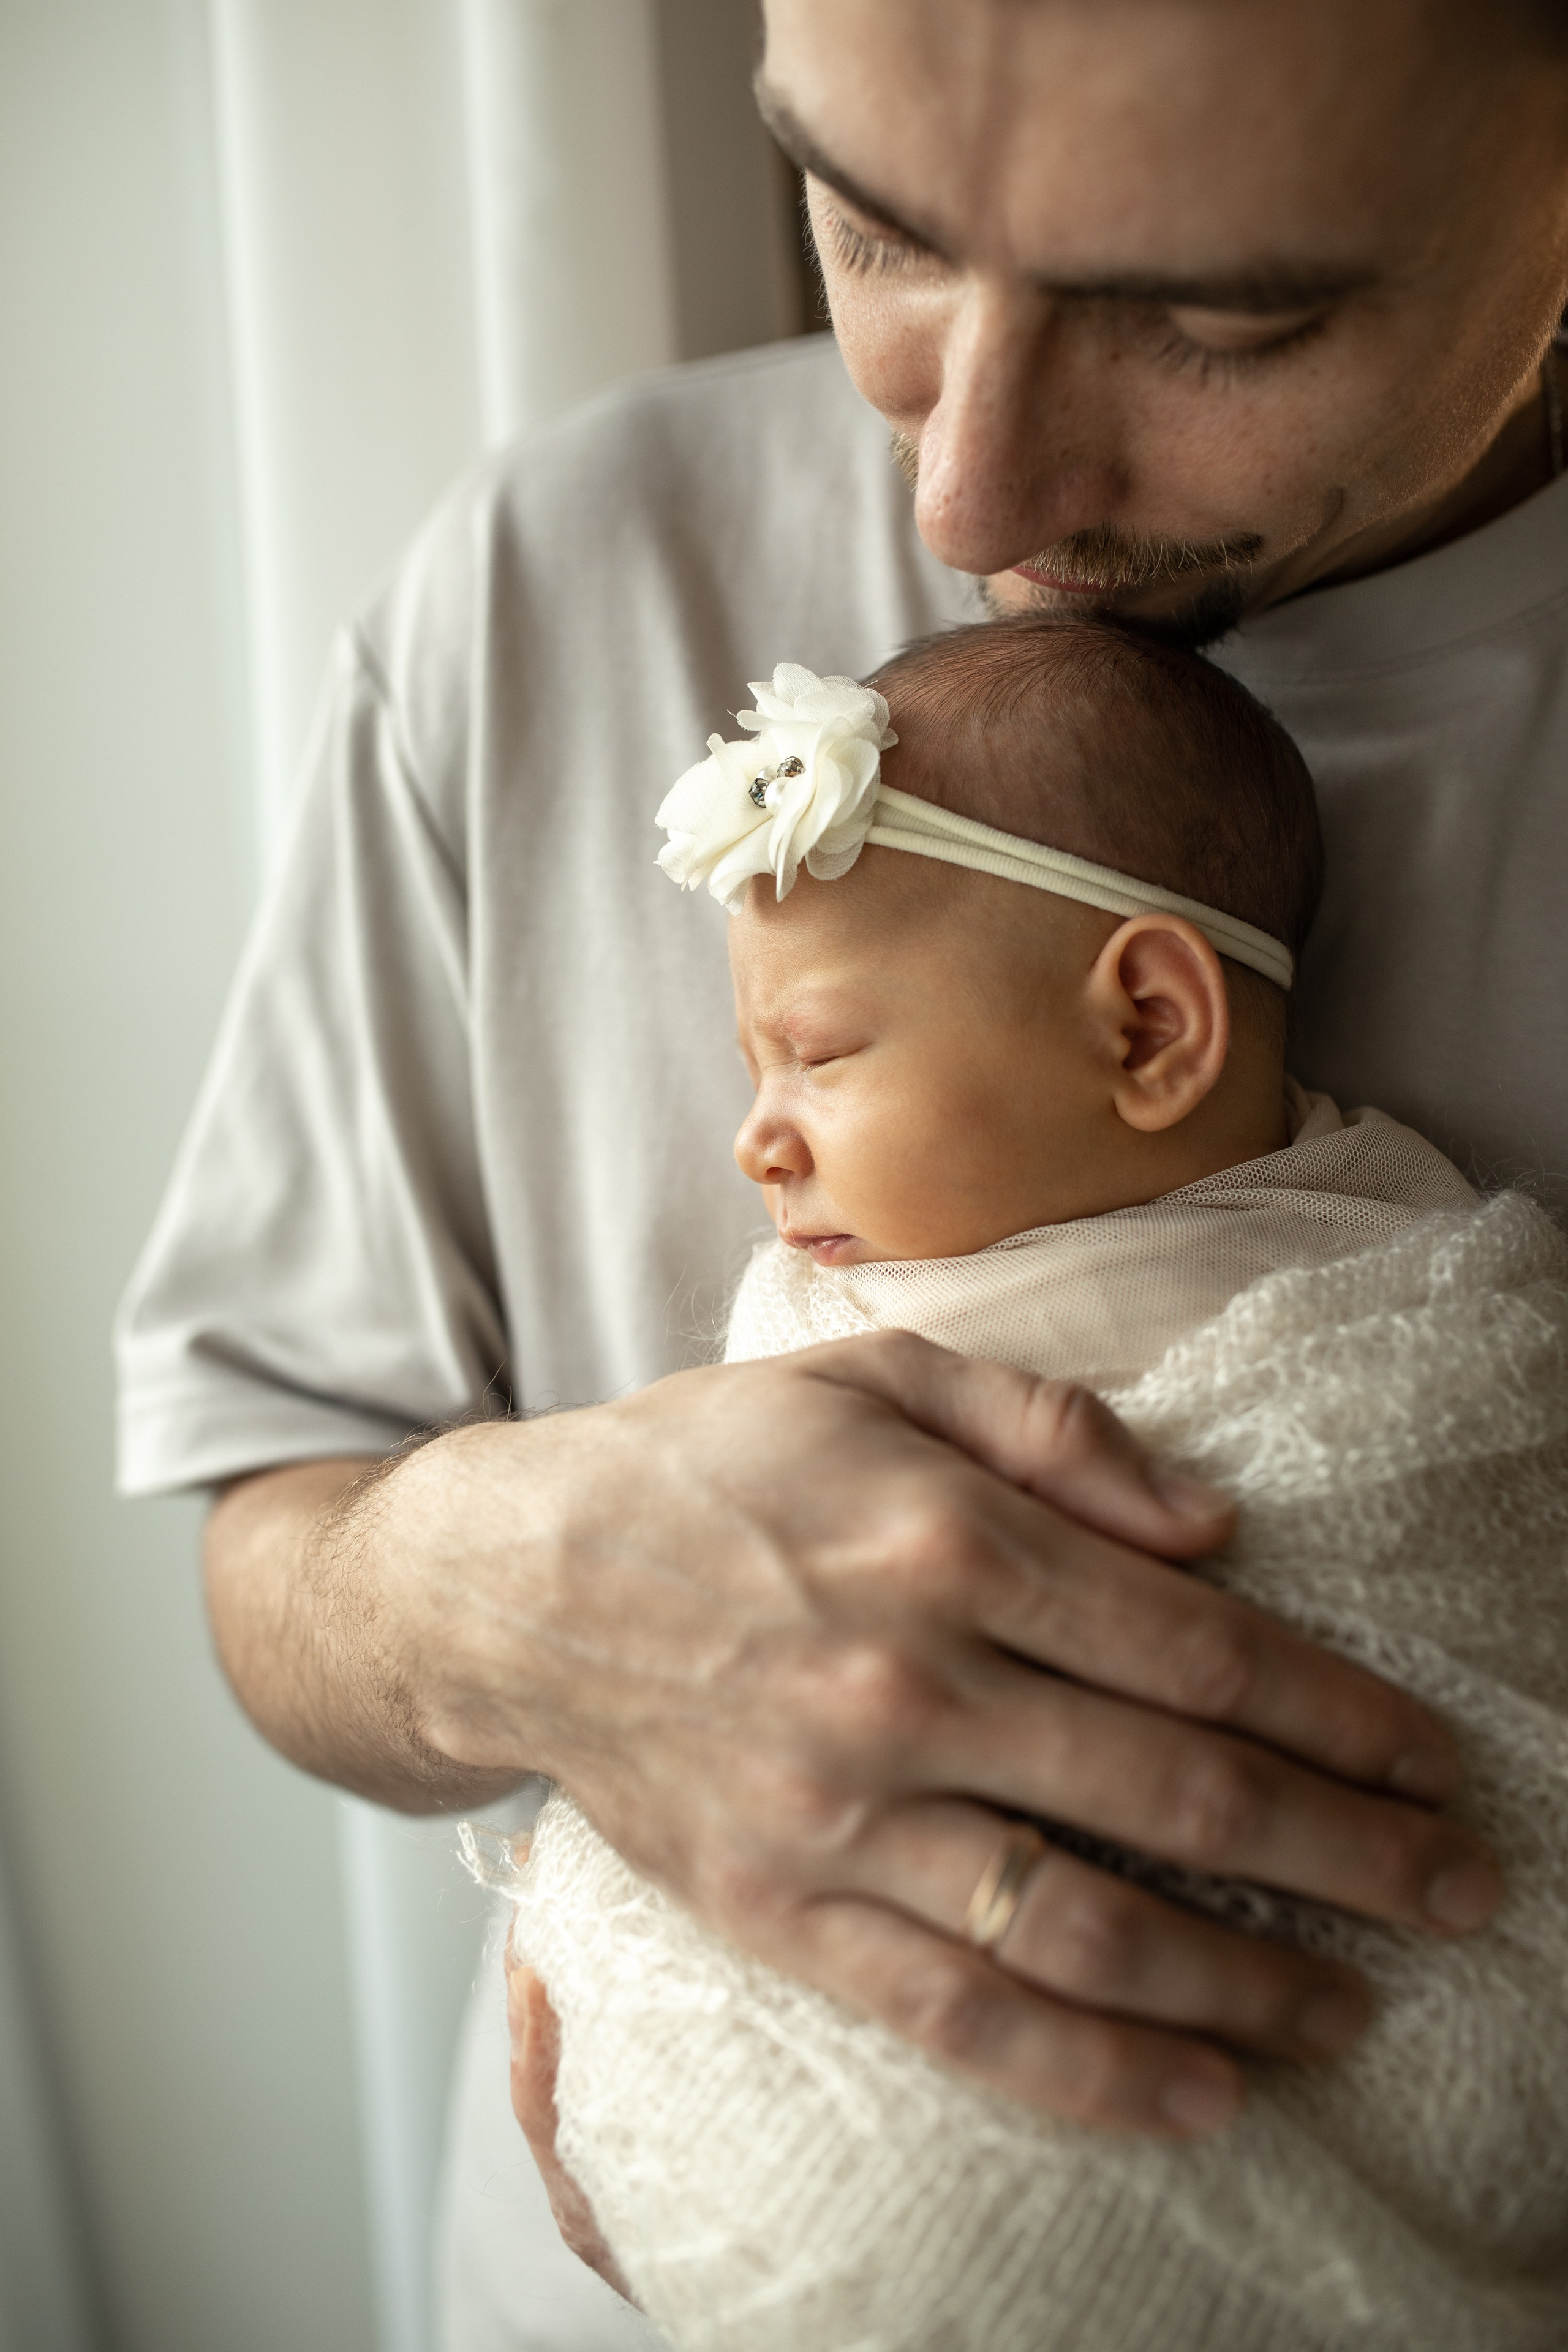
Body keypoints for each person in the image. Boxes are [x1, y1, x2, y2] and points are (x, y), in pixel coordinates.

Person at [116, 1, 1568, 2342]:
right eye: (875, 226)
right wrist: (489, 1586)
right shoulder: (550, 575)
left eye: (1220, 314)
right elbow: (275, 1497)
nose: (963, 499)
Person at [509, 627, 1568, 2348]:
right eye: (754, 1068)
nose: (754, 1139)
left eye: (823, 1053)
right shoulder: (840, 1327)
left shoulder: (1409, 1308)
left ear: (1151, 1028)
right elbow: (696, 1630)